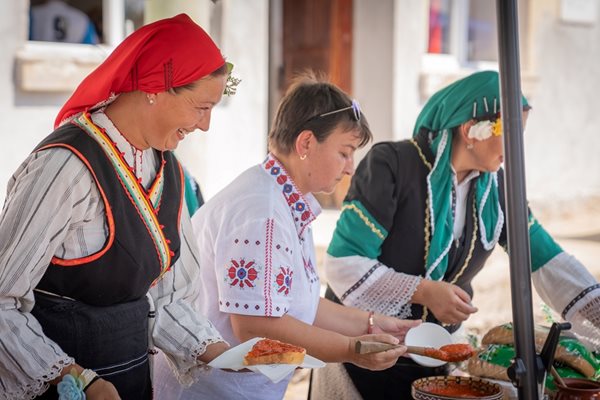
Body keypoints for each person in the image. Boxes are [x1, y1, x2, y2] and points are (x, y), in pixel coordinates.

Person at [318, 70, 600, 399]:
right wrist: (424, 292)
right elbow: (343, 263)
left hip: (437, 354)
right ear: (471, 130)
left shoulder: (497, 188)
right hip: (363, 353)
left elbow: (547, 261)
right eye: (509, 132)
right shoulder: (393, 165)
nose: (517, 146)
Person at [0, 14, 236, 399]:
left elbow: (168, 296)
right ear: (155, 89)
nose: (205, 125)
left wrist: (224, 354)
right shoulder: (66, 166)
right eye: (200, 107)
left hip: (128, 379)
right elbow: (3, 300)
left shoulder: (168, 169)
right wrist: (76, 379)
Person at [152, 74, 420, 400]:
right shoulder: (262, 210)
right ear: (306, 143)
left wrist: (374, 324)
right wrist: (352, 350)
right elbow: (256, 330)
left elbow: (300, 306)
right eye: (345, 152)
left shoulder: (282, 198)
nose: (350, 168)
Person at [30, 0, 100, 44]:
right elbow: (92, 49)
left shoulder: (32, 14)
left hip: (38, 64)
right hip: (72, 65)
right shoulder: (82, 18)